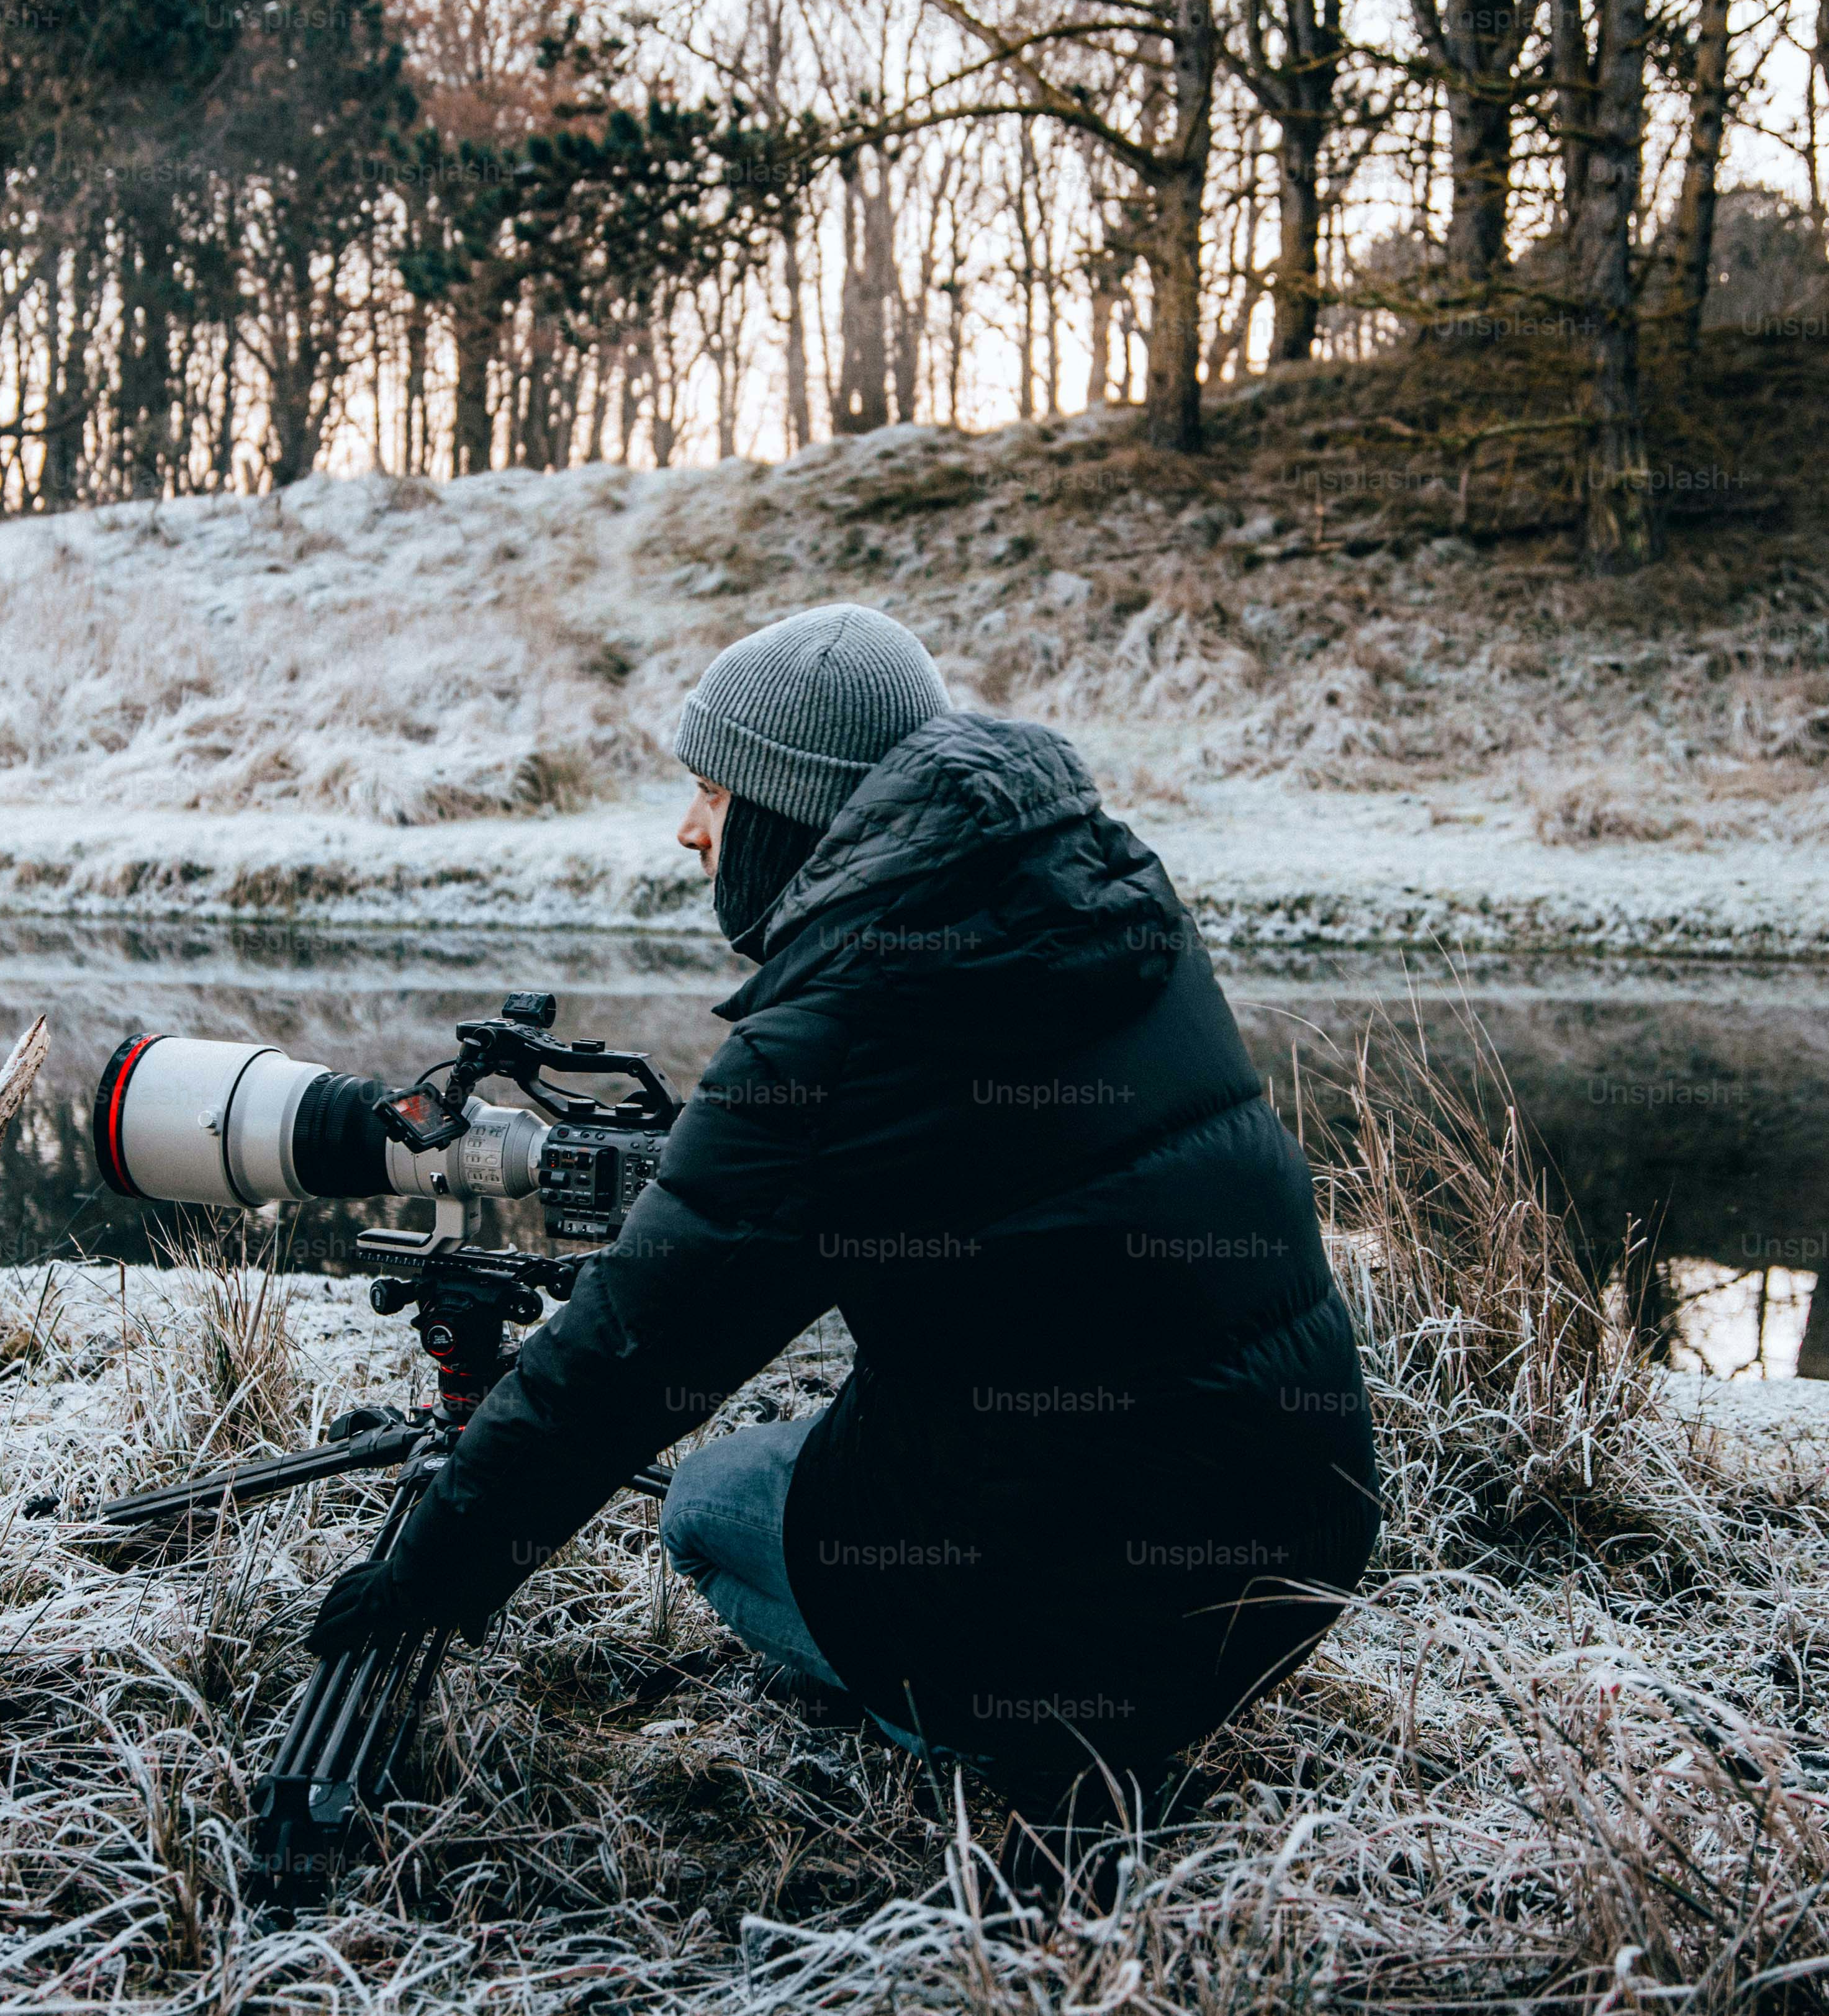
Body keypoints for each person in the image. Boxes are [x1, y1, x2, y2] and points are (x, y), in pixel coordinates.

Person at [311, 601, 1378, 1845]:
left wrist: (428, 1578)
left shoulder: (846, 1026)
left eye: (713, 792)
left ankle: (1016, 1729)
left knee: (708, 1499)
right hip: (1302, 1539)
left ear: (792, 813)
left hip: (1108, 1624)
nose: (688, 830)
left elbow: (625, 1361)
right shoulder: (1096, 888)